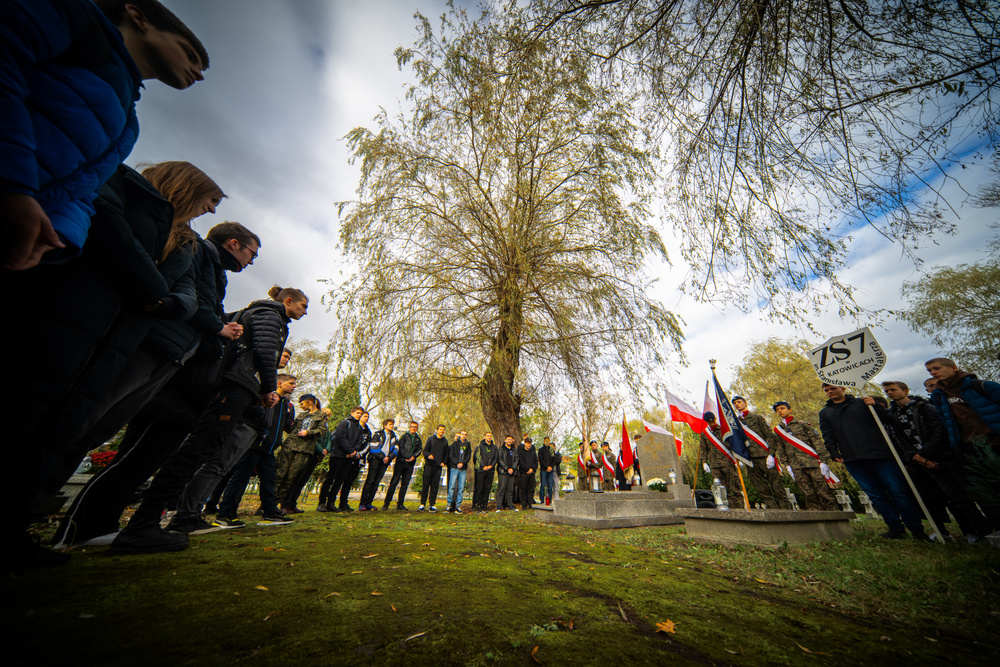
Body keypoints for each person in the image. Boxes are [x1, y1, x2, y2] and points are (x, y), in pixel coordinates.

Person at [46, 168, 232, 551]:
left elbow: (188, 294)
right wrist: (168, 299)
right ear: (188, 188)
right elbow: (182, 292)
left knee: (96, 428)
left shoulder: (186, 242)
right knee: (77, 425)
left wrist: (168, 301)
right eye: (211, 200)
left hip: (166, 347)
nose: (211, 210)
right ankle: (73, 525)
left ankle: (84, 525)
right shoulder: (124, 198)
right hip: (137, 339)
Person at [1, 0, 208, 271]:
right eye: (190, 54)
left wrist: (61, 235)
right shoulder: (75, 18)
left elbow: (85, 185)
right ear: (138, 17)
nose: (199, 75)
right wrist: (14, 182)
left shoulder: (130, 125)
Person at [108, 286, 309, 553]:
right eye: (303, 306)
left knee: (199, 450)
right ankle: (149, 522)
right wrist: (268, 388)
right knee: (198, 450)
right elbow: (263, 352)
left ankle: (154, 520)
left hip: (236, 385)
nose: (305, 312)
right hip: (234, 386)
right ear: (288, 301)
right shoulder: (269, 315)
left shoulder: (265, 316)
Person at [880, 380, 990, 540]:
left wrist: (924, 454)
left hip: (943, 457)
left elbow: (939, 432)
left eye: (893, 389)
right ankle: (966, 531)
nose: (890, 393)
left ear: (905, 390)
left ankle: (982, 530)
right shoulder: (893, 414)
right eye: (887, 391)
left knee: (964, 495)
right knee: (945, 498)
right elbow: (899, 438)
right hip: (920, 461)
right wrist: (915, 456)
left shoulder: (925, 407)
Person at [819, 384, 928, 540]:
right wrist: (833, 451)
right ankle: (895, 528)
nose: (830, 392)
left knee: (898, 491)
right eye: (826, 390)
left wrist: (876, 406)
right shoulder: (825, 412)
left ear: (842, 388)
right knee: (875, 495)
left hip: (880, 455)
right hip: (853, 459)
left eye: (833, 388)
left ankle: (916, 528)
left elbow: (889, 419)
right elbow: (828, 434)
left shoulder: (862, 403)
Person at [213, 374, 298, 528]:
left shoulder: (285, 404)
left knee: (269, 479)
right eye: (291, 383)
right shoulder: (268, 399)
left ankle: (270, 511)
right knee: (241, 477)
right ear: (280, 383)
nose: (294, 386)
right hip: (255, 445)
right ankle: (226, 513)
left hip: (269, 449)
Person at [924, 358, 1000, 528]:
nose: (933, 373)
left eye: (937, 368)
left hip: (995, 441)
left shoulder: (980, 386)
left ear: (953, 367)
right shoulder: (939, 395)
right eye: (930, 370)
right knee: (986, 489)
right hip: (970, 448)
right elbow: (946, 422)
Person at [771, 401, 837, 511]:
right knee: (808, 494)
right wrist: (786, 465)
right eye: (777, 410)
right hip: (796, 465)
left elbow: (816, 442)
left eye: (782, 408)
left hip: (812, 462)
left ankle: (835, 516)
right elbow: (781, 448)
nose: (780, 411)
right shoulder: (778, 430)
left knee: (824, 492)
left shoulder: (802, 424)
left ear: (790, 409)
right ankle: (815, 516)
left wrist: (824, 460)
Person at [732, 397, 792, 509]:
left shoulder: (756, 418)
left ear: (745, 403)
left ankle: (786, 511)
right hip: (750, 459)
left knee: (777, 487)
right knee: (761, 488)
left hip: (764, 456)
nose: (737, 404)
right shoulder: (735, 423)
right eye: (735, 403)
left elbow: (770, 436)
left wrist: (772, 454)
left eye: (739, 402)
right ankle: (772, 511)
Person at [275, 395, 328, 514]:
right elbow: (292, 428)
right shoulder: (301, 415)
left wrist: (309, 432)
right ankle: (266, 504)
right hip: (289, 446)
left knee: (290, 478)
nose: (300, 406)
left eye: (302, 404)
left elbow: (322, 431)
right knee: (279, 474)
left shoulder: (321, 415)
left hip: (304, 450)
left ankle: (275, 504)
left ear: (309, 402)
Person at [323, 407, 366, 512]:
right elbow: (340, 437)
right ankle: (322, 502)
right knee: (330, 478)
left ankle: (331, 503)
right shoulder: (345, 423)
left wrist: (353, 452)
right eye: (357, 413)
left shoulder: (359, 427)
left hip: (349, 458)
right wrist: (349, 450)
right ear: (352, 413)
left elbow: (359, 441)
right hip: (338, 455)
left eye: (361, 413)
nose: (359, 415)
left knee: (340, 480)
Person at [699, 413, 745, 509]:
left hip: (727, 462)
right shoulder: (705, 433)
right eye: (710, 422)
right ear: (706, 422)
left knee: (734, 486)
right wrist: (704, 462)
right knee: (722, 489)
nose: (712, 423)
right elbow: (704, 449)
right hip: (714, 464)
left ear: (715, 419)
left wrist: (738, 459)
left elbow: (733, 444)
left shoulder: (723, 429)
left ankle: (740, 508)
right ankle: (728, 508)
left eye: (713, 421)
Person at [360, 419, 398, 511]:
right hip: (375, 459)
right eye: (390, 424)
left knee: (376, 482)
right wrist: (382, 457)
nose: (391, 426)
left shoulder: (394, 437)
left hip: (385, 461)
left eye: (392, 424)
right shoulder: (378, 434)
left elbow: (396, 448)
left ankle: (369, 503)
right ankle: (362, 503)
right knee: (370, 480)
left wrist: (389, 457)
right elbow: (373, 447)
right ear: (385, 425)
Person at [383, 421, 421, 510]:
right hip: (401, 462)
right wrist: (407, 457)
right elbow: (400, 448)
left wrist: (413, 457)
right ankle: (386, 503)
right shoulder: (404, 436)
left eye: (415, 427)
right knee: (394, 483)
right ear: (409, 427)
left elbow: (419, 450)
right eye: (412, 426)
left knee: (405, 484)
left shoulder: (418, 439)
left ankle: (400, 504)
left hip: (410, 464)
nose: (414, 428)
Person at [419, 425, 449, 512]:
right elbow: (425, 451)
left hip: (438, 467)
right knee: (425, 485)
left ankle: (432, 504)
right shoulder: (431, 439)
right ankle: (422, 504)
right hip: (429, 465)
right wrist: (428, 455)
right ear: (437, 430)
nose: (442, 431)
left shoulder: (445, 441)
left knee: (435, 486)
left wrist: (444, 462)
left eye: (443, 430)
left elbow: (446, 454)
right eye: (440, 429)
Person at [446, 431, 472, 513]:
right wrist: (457, 463)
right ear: (460, 435)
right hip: (455, 467)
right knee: (452, 486)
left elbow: (468, 456)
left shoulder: (468, 445)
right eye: (462, 434)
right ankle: (449, 505)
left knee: (461, 488)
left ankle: (458, 506)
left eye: (465, 434)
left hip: (463, 469)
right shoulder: (455, 444)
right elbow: (451, 455)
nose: (464, 436)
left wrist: (462, 463)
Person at [472, 432, 497, 512]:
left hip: (490, 471)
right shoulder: (480, 446)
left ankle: (484, 505)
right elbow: (477, 457)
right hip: (481, 470)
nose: (489, 437)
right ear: (485, 437)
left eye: (490, 436)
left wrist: (491, 466)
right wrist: (483, 466)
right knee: (480, 488)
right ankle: (478, 505)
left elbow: (495, 458)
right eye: (488, 436)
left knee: (487, 489)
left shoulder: (494, 447)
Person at [495, 436, 518, 512]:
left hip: (512, 473)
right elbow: (499, 459)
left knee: (510, 490)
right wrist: (507, 468)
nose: (509, 441)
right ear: (505, 440)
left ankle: (510, 505)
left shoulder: (514, 450)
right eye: (508, 439)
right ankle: (498, 506)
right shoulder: (501, 449)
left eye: (511, 440)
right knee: (501, 489)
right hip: (503, 472)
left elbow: (516, 460)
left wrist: (512, 468)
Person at [518, 437, 539, 510]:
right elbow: (521, 462)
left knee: (531, 489)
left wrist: (532, 469)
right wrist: (527, 469)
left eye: (530, 444)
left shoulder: (533, 452)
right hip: (524, 473)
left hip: (532, 473)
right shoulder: (521, 452)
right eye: (527, 443)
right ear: (524, 444)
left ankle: (530, 503)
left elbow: (536, 462)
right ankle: (524, 504)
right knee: (523, 489)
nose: (529, 445)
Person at [537, 437, 556, 504]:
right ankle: (542, 500)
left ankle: (549, 501)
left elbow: (554, 460)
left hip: (550, 471)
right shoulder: (541, 450)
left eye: (548, 441)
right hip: (543, 470)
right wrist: (546, 467)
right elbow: (541, 460)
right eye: (546, 441)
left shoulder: (551, 450)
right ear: (544, 441)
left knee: (550, 487)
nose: (547, 442)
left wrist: (551, 467)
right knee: (543, 486)